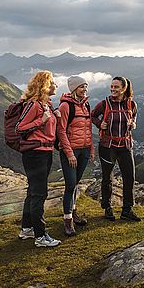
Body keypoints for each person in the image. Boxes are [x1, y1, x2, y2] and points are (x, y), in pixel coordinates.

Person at [15, 70, 62, 247]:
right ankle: (41, 237)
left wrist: (53, 115)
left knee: (33, 191)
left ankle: (27, 229)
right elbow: (20, 128)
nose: (55, 85)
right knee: (39, 194)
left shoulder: (46, 105)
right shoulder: (34, 105)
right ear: (44, 86)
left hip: (44, 152)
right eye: (52, 83)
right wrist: (41, 120)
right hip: (36, 153)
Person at [91, 76, 140, 222]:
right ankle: (107, 207)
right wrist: (100, 124)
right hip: (108, 146)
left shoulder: (131, 104)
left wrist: (133, 124)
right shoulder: (104, 104)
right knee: (107, 178)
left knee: (129, 177)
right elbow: (92, 116)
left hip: (125, 145)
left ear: (124, 89)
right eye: (112, 86)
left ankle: (127, 210)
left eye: (116, 87)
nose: (113, 89)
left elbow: (134, 118)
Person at [56, 76, 94, 236]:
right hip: (71, 152)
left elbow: (88, 129)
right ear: (73, 89)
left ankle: (73, 212)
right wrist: (69, 153)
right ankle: (68, 222)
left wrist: (91, 150)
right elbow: (61, 131)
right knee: (70, 185)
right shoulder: (65, 106)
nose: (84, 89)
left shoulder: (86, 105)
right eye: (81, 87)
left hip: (85, 150)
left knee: (76, 184)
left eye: (85, 86)